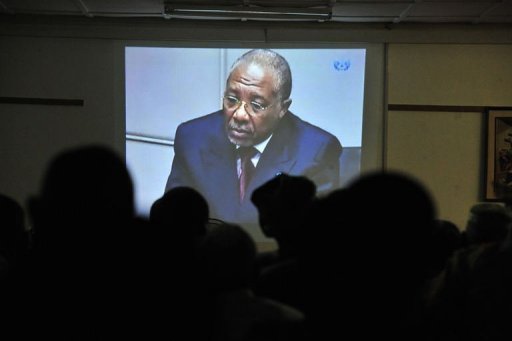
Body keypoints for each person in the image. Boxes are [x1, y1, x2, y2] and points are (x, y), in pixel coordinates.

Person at [165, 49, 343, 225]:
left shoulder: (317, 151)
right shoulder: (192, 138)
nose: (239, 115)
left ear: (283, 108)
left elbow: (315, 234)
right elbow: (172, 220)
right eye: (232, 99)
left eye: (256, 105)